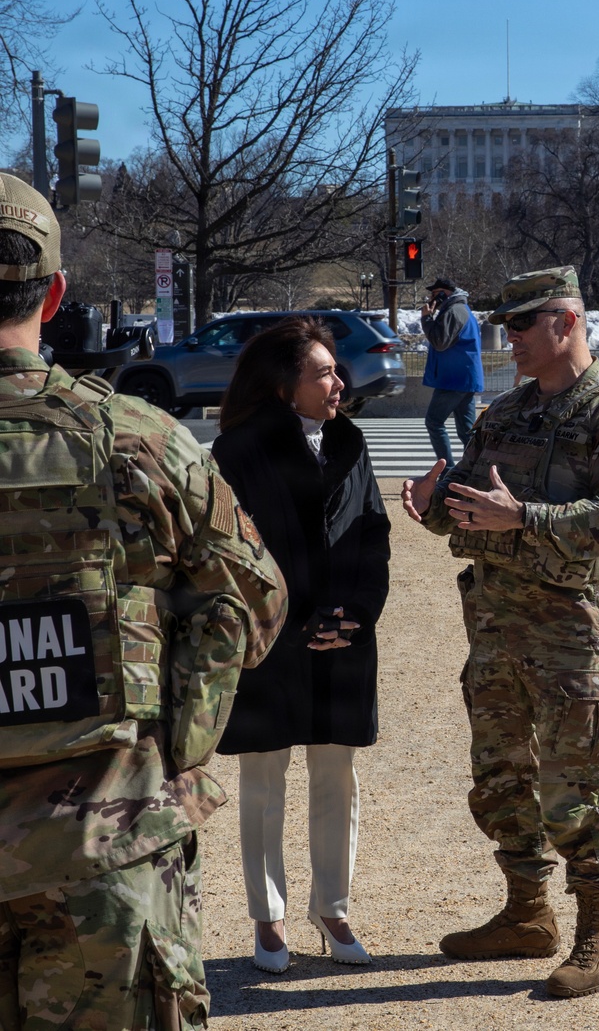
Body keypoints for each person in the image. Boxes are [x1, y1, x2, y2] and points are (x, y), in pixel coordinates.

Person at [0, 173, 287, 1030]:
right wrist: (180, 738)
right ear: (55, 295)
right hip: (111, 854)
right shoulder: (142, 440)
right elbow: (252, 603)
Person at [402, 266, 599, 999]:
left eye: (521, 323)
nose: (507, 337)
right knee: (501, 777)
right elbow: (473, 507)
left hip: (570, 634)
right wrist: (436, 504)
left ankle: (598, 933)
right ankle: (526, 913)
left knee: (579, 782)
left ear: (566, 321)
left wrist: (525, 517)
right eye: (504, 324)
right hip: (494, 629)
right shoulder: (504, 414)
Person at [212, 316, 390, 971]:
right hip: (268, 642)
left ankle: (332, 908)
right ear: (285, 385)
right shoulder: (236, 451)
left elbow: (373, 533)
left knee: (337, 777)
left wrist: (358, 614)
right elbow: (224, 553)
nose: (339, 383)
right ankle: (269, 918)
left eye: (336, 371)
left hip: (345, 637)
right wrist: (285, 623)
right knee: (263, 779)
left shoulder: (350, 441)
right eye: (324, 373)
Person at [420, 276, 484, 470]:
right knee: (467, 431)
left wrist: (426, 319)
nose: (431, 298)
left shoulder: (454, 311)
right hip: (464, 377)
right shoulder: (460, 309)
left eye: (434, 294)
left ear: (444, 293)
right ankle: (477, 469)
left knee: (434, 422)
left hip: (453, 379)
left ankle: (447, 470)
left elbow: (439, 342)